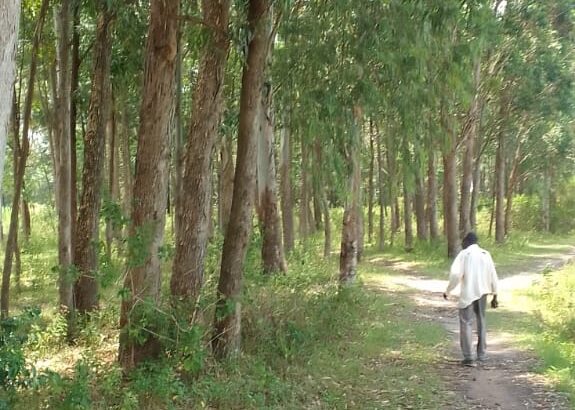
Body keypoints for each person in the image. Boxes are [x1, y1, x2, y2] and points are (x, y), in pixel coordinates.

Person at [443, 232, 499, 367]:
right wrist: (495, 294)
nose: (463, 244)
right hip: (483, 293)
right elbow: (493, 274)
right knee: (481, 321)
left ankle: (469, 357)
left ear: (467, 242)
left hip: (468, 293)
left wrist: (448, 290)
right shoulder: (486, 254)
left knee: (466, 322)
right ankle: (482, 354)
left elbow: (456, 274)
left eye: (463, 242)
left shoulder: (464, 254)